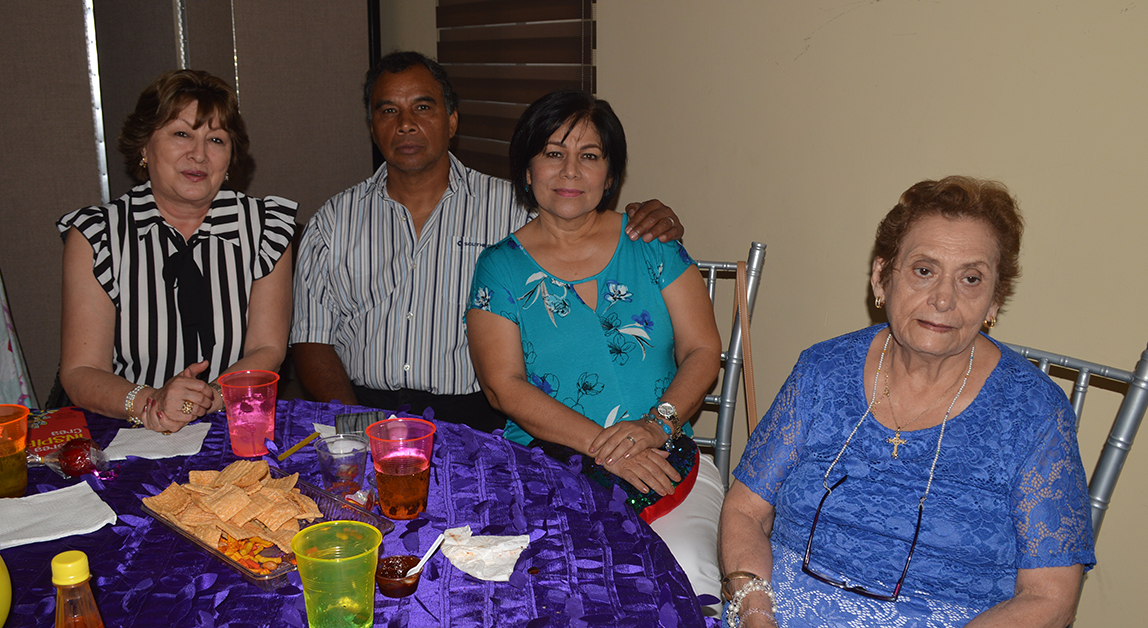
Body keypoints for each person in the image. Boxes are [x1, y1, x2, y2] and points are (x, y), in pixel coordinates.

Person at [718, 176, 1095, 627]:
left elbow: (1050, 598)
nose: (942, 298)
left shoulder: (1036, 414)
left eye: (971, 279)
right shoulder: (823, 370)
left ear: (995, 300)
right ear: (882, 277)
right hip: (781, 610)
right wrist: (756, 610)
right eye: (923, 270)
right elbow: (743, 510)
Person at [290, 51, 684, 432]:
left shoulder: (515, 209)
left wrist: (649, 219)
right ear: (372, 125)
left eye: (423, 108)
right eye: (388, 110)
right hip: (363, 408)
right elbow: (311, 337)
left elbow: (580, 221)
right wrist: (352, 421)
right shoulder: (333, 221)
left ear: (452, 120)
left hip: (479, 417)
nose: (405, 124)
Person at [465, 90, 726, 601]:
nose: (570, 171)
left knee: (688, 575)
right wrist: (605, 449)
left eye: (589, 156)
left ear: (610, 176)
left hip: (665, 456)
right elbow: (503, 387)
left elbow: (702, 349)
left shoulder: (653, 245)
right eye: (553, 152)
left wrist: (654, 426)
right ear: (527, 169)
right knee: (553, 588)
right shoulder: (500, 268)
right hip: (544, 468)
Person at [58, 70, 296, 433]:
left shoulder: (267, 229)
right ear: (143, 146)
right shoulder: (97, 235)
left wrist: (207, 398)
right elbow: (80, 371)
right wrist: (151, 403)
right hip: (129, 429)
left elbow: (266, 349)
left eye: (216, 140)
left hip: (233, 422)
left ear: (231, 157)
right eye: (181, 134)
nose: (198, 154)